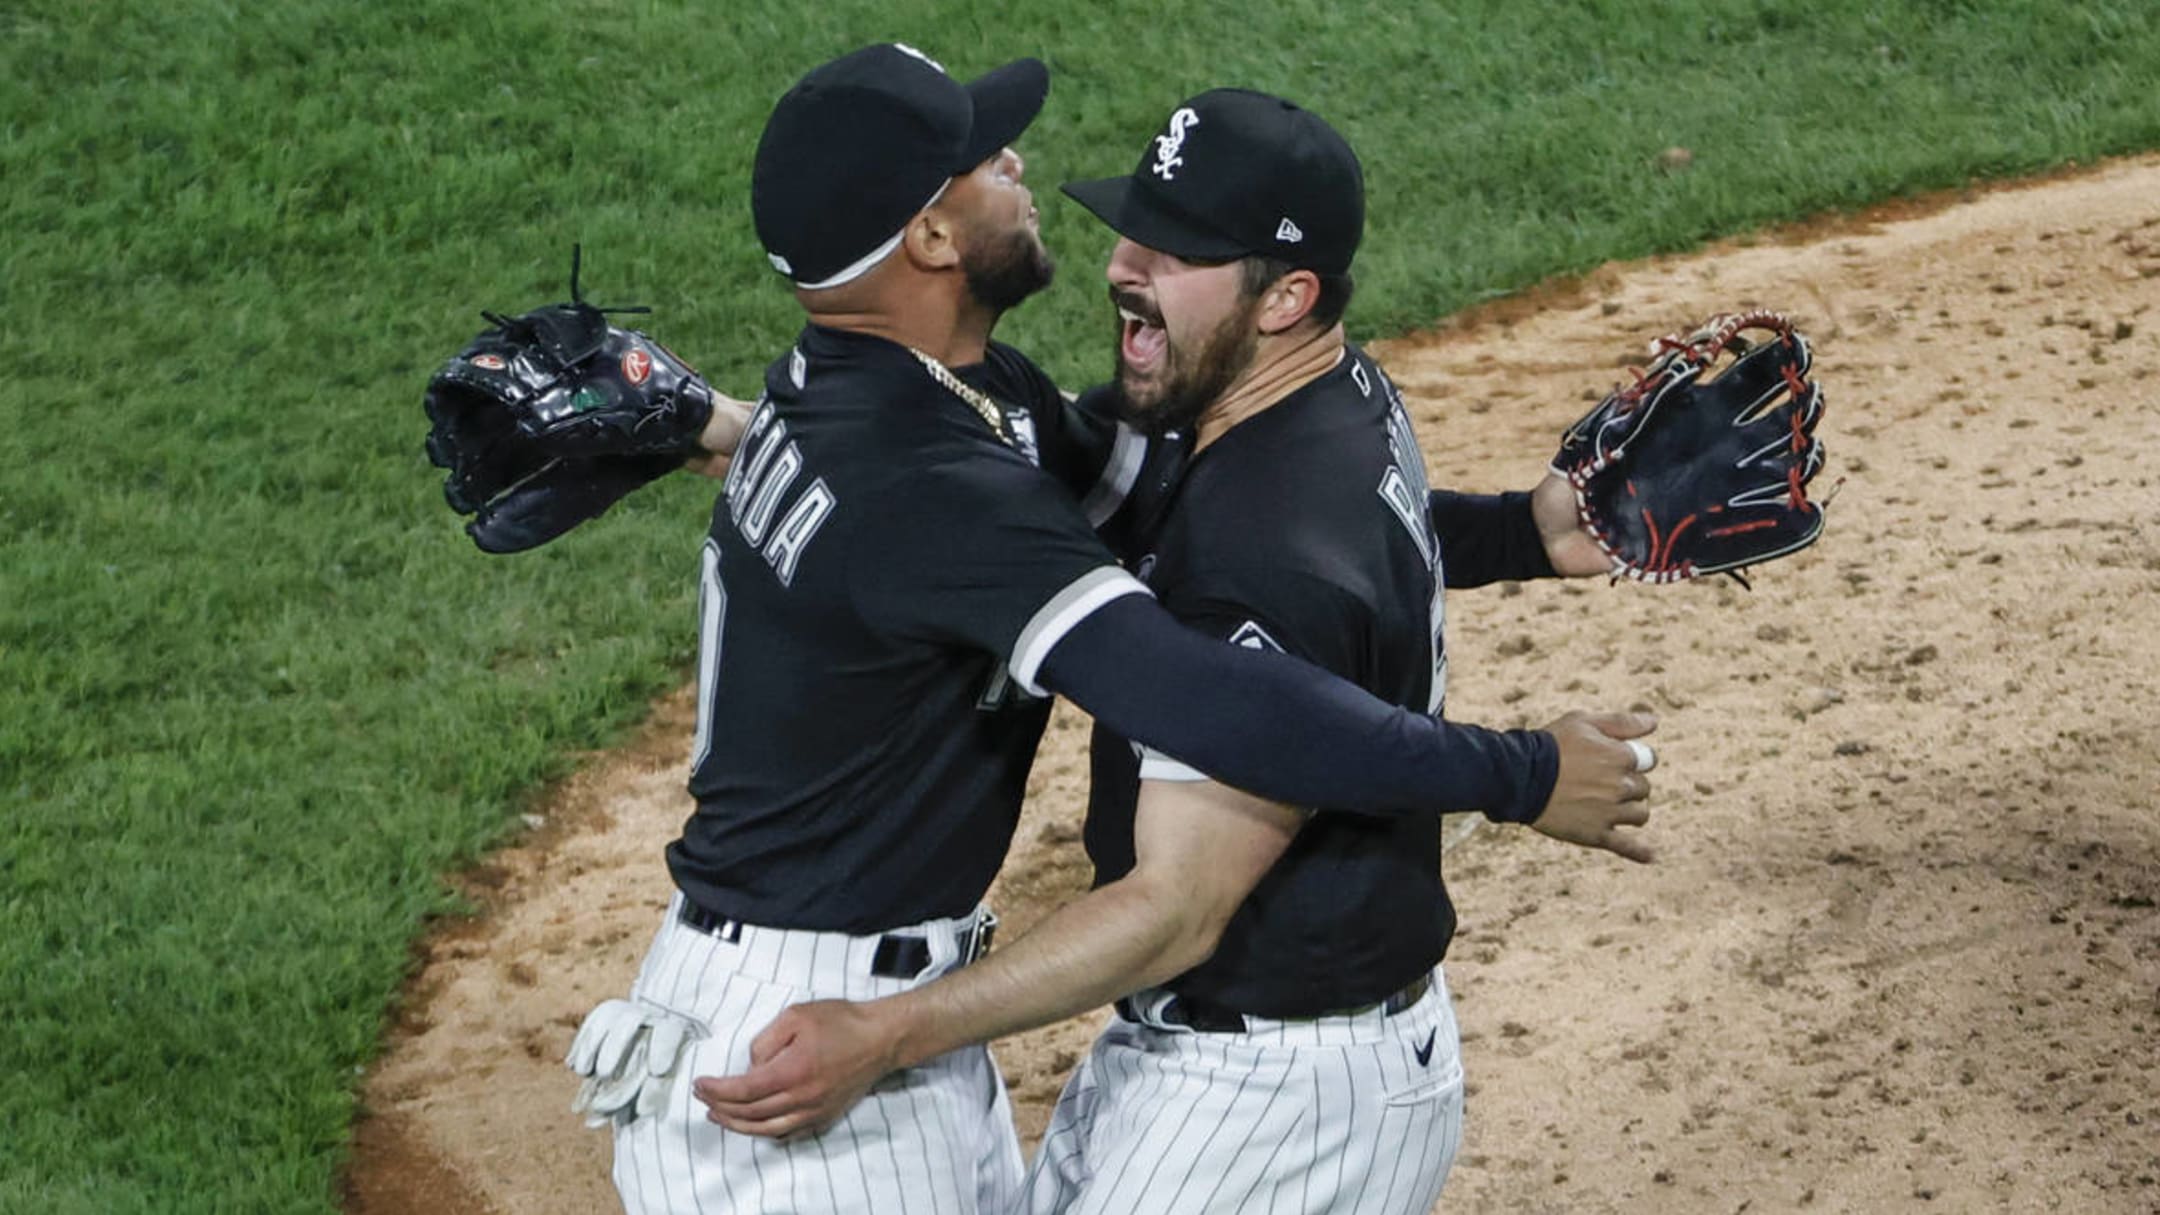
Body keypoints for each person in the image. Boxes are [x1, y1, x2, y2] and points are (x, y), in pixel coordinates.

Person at [579, 46, 1652, 1215]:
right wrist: (1523, 772)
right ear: (932, 239)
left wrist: (1519, 537)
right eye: (987, 157)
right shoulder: (927, 477)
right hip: (807, 1046)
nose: (1022, 164)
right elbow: (1218, 696)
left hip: (885, 1019)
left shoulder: (924, 398)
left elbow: (1198, 520)